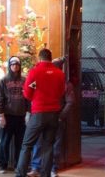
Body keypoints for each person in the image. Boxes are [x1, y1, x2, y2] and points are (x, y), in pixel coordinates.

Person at [15, 49, 66, 177]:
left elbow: (27, 93)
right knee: (48, 146)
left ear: (39, 58)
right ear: (51, 58)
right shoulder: (59, 74)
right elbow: (61, 92)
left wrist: (35, 97)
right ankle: (46, 174)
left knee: (27, 145)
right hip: (54, 113)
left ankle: (20, 174)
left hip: (38, 113)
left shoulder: (35, 72)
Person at [27, 57, 76, 177]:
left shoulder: (64, 83)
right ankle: (42, 168)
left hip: (48, 115)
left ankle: (45, 168)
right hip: (51, 115)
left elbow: (29, 92)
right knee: (49, 143)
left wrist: (61, 116)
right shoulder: (63, 82)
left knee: (49, 143)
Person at [0, 56, 29, 174]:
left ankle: (17, 164)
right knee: (4, 142)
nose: (15, 66)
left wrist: (28, 112)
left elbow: (29, 97)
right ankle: (2, 165)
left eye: (17, 64)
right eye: (13, 64)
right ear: (9, 65)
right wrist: (1, 115)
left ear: (20, 66)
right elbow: (0, 98)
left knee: (19, 143)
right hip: (8, 115)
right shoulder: (3, 80)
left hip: (21, 116)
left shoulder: (25, 80)